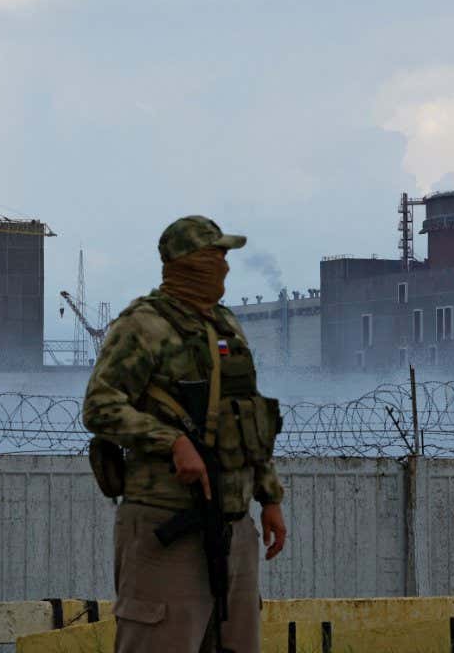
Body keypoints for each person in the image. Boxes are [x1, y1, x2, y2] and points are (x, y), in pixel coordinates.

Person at [83, 215, 287, 653]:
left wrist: (269, 498)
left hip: (234, 527)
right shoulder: (141, 326)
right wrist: (170, 440)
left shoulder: (227, 326)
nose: (224, 268)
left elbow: (248, 418)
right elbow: (100, 406)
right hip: (166, 523)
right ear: (187, 263)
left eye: (225, 257)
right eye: (215, 256)